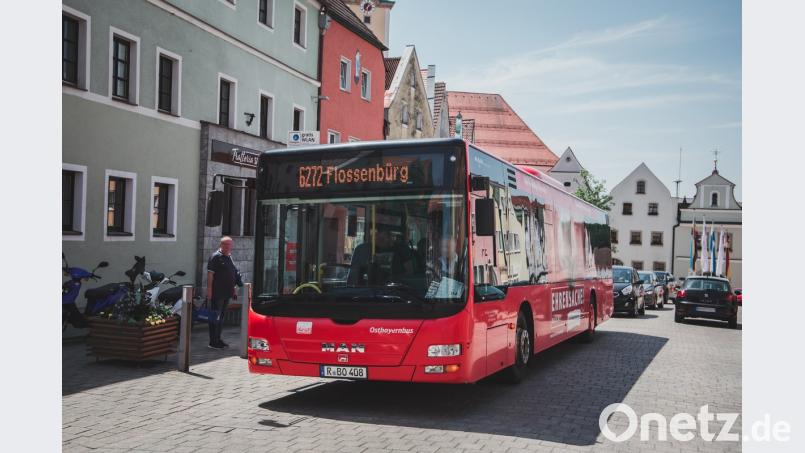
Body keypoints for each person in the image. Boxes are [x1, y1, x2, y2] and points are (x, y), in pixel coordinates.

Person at [206, 236, 242, 349]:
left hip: (227, 292)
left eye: (230, 245)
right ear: (221, 245)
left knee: (221, 318)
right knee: (215, 317)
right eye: (226, 245)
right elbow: (210, 275)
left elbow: (232, 273)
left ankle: (218, 339)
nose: (228, 247)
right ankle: (213, 341)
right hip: (217, 293)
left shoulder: (229, 256)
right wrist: (209, 291)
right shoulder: (215, 257)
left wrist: (234, 289)